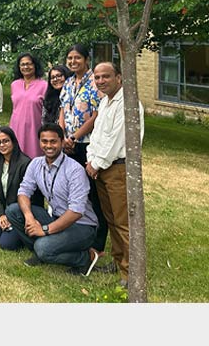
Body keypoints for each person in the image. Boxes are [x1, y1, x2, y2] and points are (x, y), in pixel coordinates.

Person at [6, 124, 102, 276]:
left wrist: (44, 230)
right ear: (39, 142)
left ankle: (85, 258)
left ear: (62, 141)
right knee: (13, 210)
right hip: (56, 218)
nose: (48, 146)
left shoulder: (75, 170)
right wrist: (29, 217)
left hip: (82, 226)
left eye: (53, 141)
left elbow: (76, 212)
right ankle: (43, 250)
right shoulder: (36, 164)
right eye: (44, 141)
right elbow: (23, 192)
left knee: (43, 247)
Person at [86, 61, 138, 281]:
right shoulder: (106, 102)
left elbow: (116, 140)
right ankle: (119, 263)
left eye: (105, 76)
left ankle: (130, 274)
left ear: (119, 77)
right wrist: (91, 160)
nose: (100, 81)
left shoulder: (127, 103)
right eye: (97, 77)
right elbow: (97, 137)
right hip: (101, 169)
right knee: (112, 220)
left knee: (123, 222)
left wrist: (95, 164)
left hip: (116, 169)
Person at [58, 44, 107, 253]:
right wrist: (62, 137)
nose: (73, 62)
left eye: (77, 58)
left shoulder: (95, 83)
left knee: (93, 193)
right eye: (70, 58)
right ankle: (75, 231)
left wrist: (74, 137)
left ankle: (98, 242)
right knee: (73, 190)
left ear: (86, 59)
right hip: (67, 145)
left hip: (86, 144)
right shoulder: (68, 82)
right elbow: (63, 110)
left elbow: (97, 115)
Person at [0, 125, 34, 250]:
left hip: (19, 211)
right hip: (3, 209)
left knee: (7, 244)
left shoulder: (25, 163)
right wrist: (0, 214)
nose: (2, 145)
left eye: (6, 141)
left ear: (13, 141)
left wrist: (11, 216)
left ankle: (20, 232)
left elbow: (28, 195)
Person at [9, 52, 49, 159]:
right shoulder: (14, 85)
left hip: (35, 128)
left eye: (29, 64)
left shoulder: (44, 85)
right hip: (16, 127)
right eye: (23, 64)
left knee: (34, 158)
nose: (26, 67)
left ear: (35, 65)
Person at [41, 64, 68, 144]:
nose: (56, 79)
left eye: (59, 76)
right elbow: (44, 122)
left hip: (72, 141)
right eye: (52, 77)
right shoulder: (48, 100)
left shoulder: (71, 97)